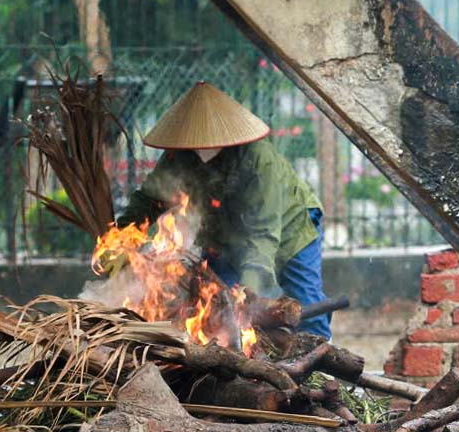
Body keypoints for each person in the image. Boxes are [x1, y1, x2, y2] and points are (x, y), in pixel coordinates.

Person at [117, 81, 332, 339]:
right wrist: (120, 240)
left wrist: (248, 295)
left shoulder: (257, 159)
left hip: (290, 226)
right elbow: (150, 199)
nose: (199, 145)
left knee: (304, 302)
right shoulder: (179, 155)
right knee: (216, 307)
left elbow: (262, 235)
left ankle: (322, 355)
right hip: (226, 238)